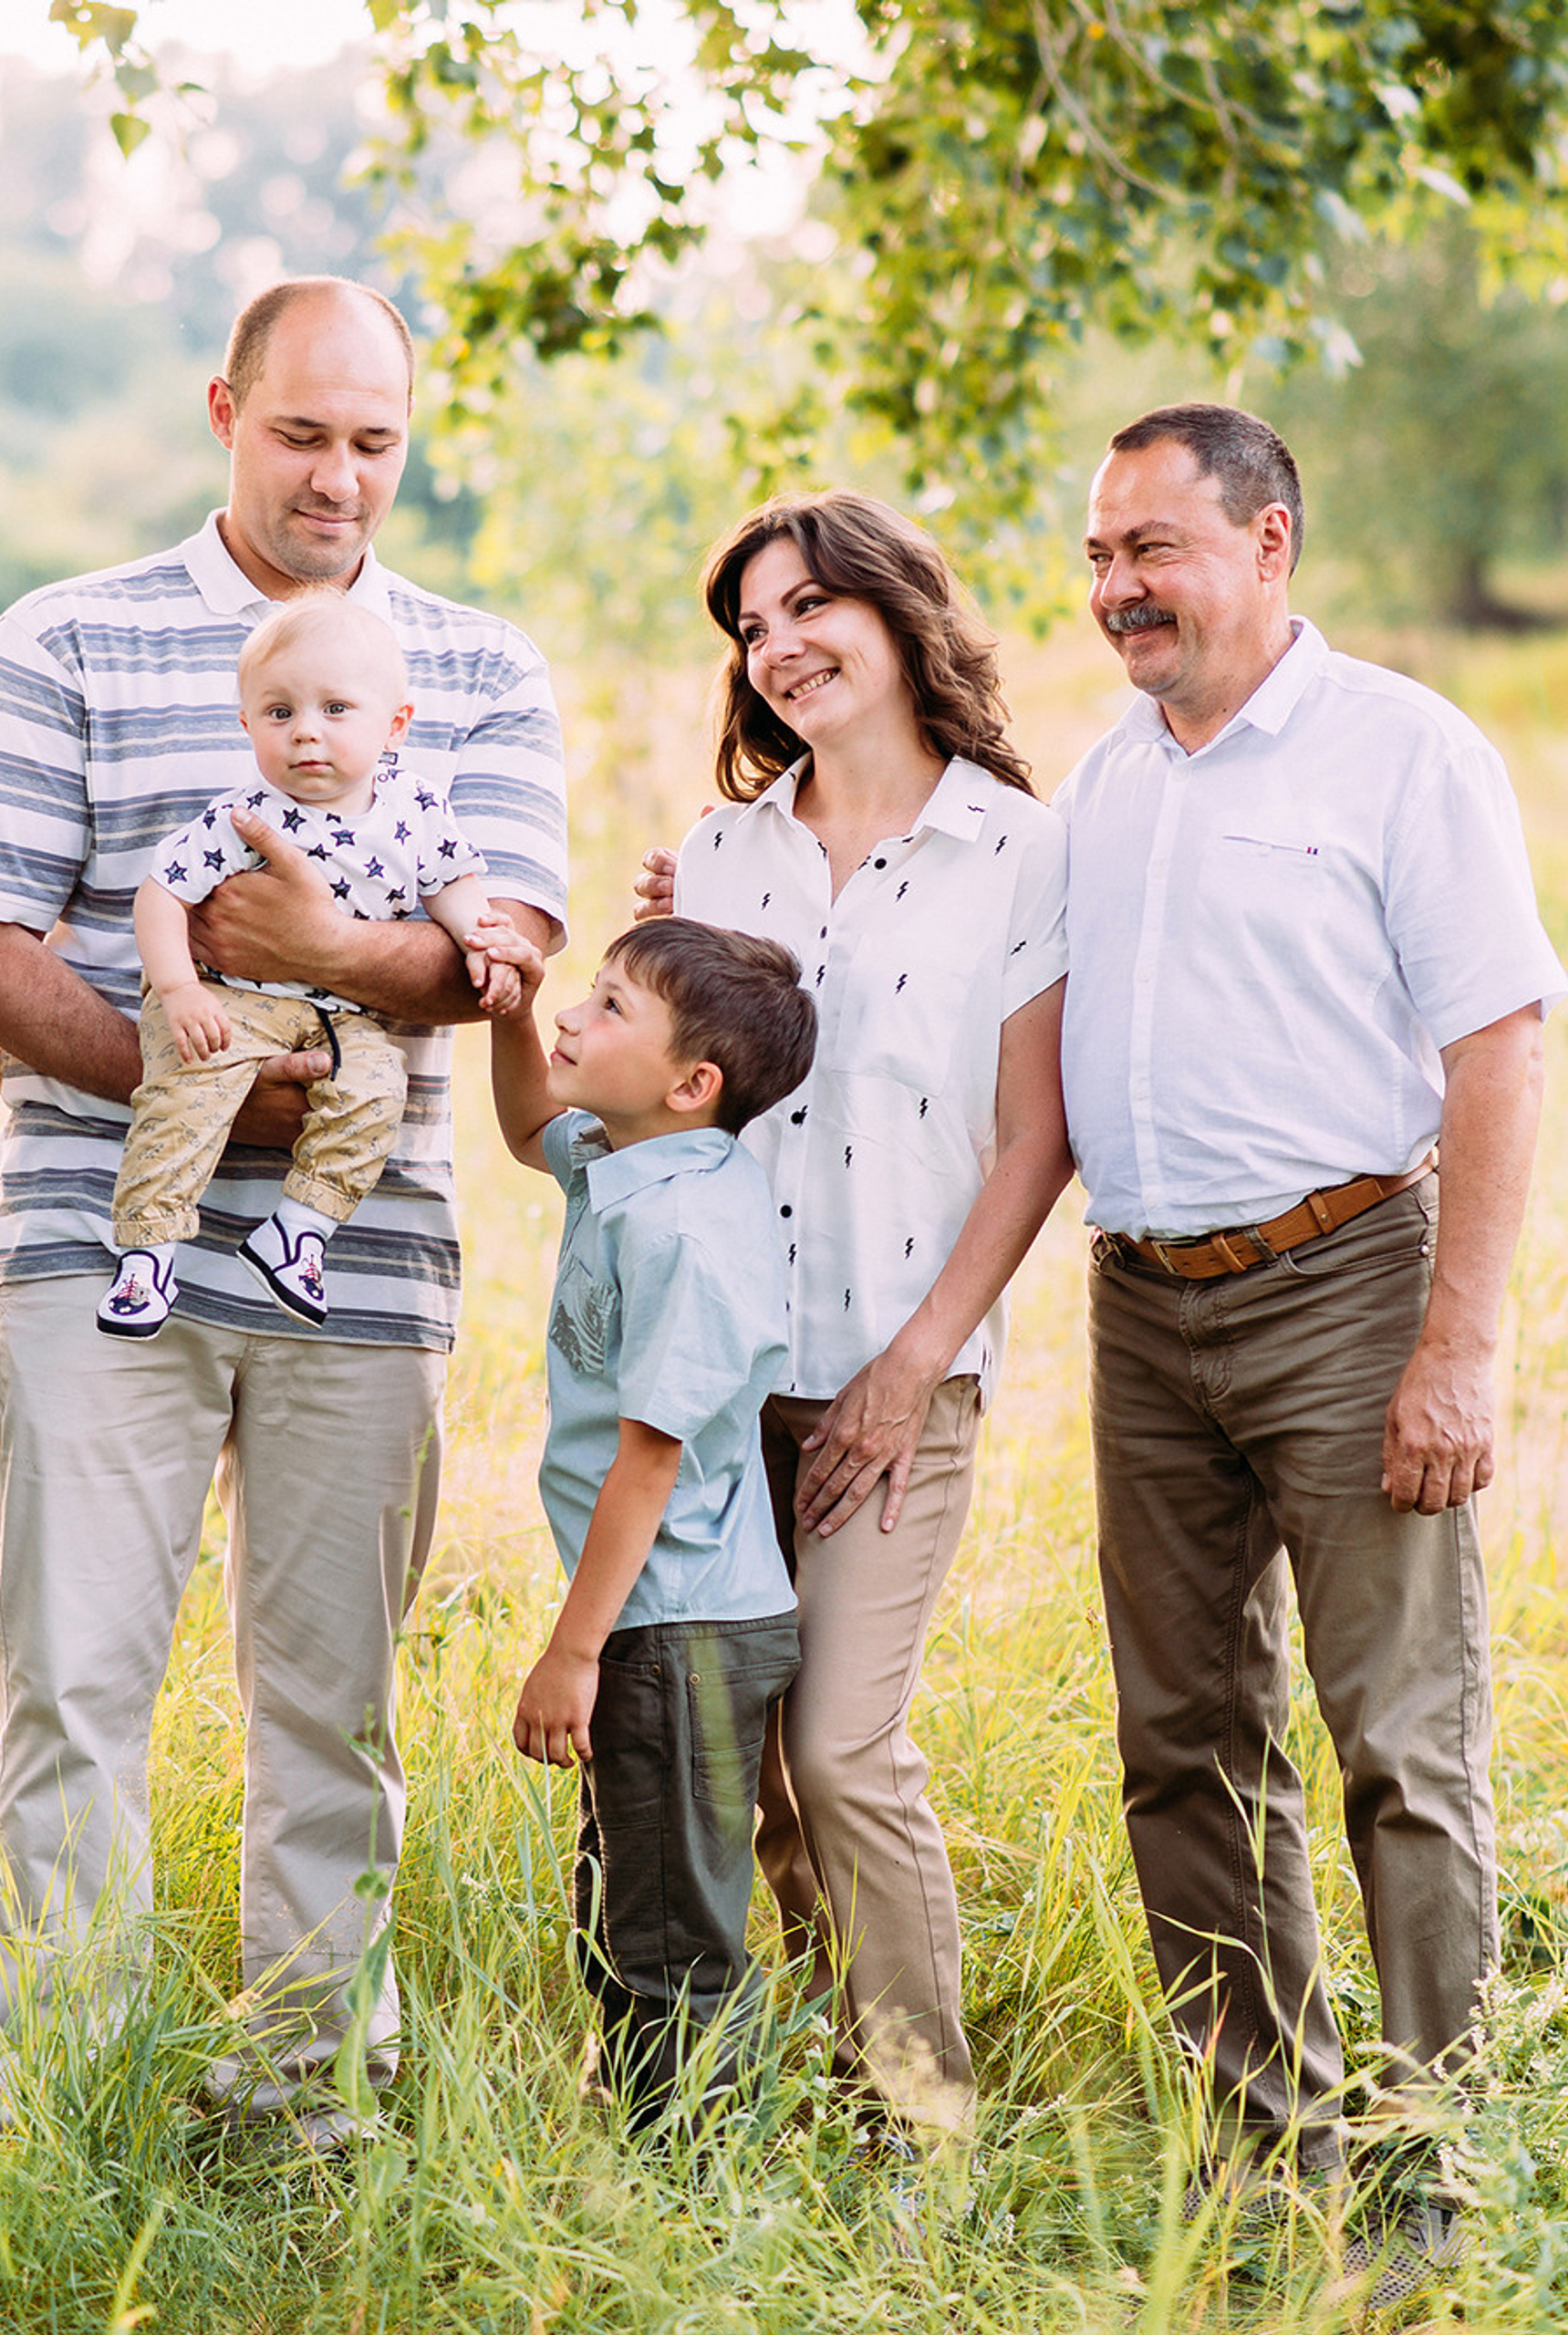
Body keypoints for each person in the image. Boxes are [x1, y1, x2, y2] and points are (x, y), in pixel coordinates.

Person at [0, 275, 567, 2131]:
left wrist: (323, 948)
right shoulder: (66, 639)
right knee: (70, 1685)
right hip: (95, 1233)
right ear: (224, 410)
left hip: (359, 1260)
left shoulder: (478, 667)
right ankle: (49, 2099)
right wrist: (186, 1080)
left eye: (374, 442)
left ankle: (310, 2094)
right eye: (302, 434)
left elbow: (502, 949)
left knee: (330, 1707)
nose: (338, 478)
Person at [1063, 404, 1567, 2257]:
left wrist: (1458, 1342)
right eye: (1100, 550)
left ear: (1265, 545)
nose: (1116, 585)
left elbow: (1497, 1037)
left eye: (1152, 548)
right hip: (1141, 1307)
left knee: (1397, 1744)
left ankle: (1433, 2172)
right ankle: (1260, 2151)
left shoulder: (1399, 753)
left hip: (1348, 1285)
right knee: (1181, 1740)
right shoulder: (1107, 777)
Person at [646, 490, 1075, 2145]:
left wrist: (908, 1370)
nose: (781, 645)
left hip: (904, 1375)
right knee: (745, 1761)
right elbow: (675, 1112)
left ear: (903, 617)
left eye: (813, 605)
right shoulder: (723, 848)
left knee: (839, 1747)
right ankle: (831, 2079)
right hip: (722, 1374)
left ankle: (927, 2129)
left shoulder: (1018, 847)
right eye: (754, 625)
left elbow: (1034, 1139)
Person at [488, 918, 815, 2128]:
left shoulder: (683, 1229)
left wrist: (575, 1652)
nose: (577, 1016)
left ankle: (690, 2183)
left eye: (610, 1007)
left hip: (675, 1625)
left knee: (670, 1939)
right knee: (630, 1899)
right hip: (657, 1613)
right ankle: (653, 2146)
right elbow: (530, 1128)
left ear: (694, 1084)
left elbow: (651, 1457)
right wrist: (510, 1012)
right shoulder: (638, 1159)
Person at [100, 594, 522, 1338]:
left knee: (376, 1090)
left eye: (335, 710)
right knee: (186, 1096)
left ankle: (298, 1231)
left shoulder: (414, 808)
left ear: (395, 724)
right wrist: (177, 990)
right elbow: (162, 893)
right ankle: (146, 1253)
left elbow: (451, 886)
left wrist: (482, 940)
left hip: (342, 1011)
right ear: (247, 724)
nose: (306, 735)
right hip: (232, 1000)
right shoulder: (245, 816)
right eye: (279, 713)